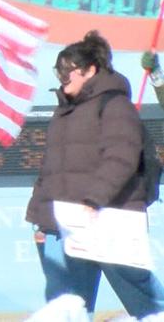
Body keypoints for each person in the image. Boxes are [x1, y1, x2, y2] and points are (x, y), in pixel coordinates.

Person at [26, 30, 164, 318]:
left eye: (68, 71)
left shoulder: (114, 105)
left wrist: (94, 199)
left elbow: (122, 157)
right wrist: (41, 219)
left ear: (90, 70)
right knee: (66, 306)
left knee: (147, 304)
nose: (61, 77)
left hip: (110, 219)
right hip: (63, 225)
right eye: (58, 70)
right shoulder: (64, 112)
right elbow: (51, 169)